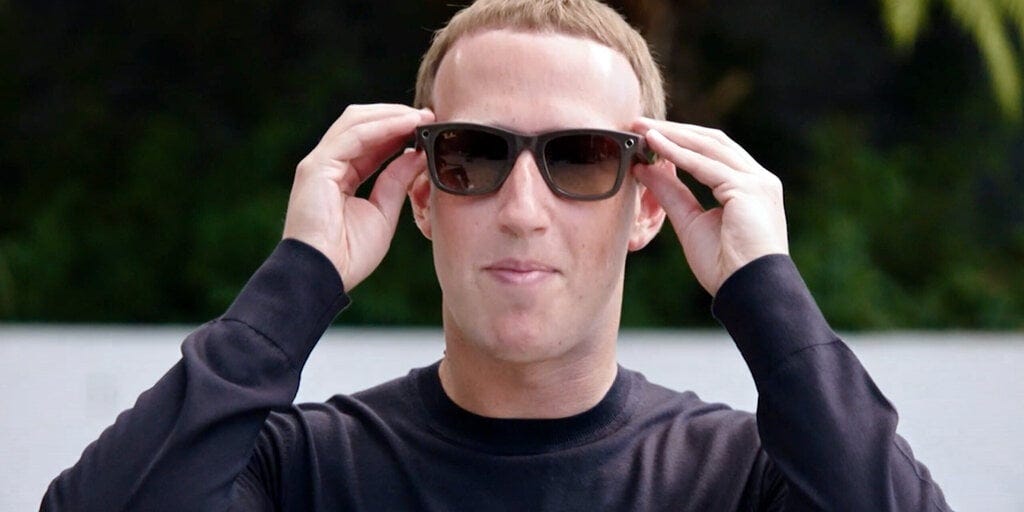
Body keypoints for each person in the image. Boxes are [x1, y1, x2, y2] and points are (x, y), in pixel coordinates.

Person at [42, 0, 952, 510]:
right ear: (422, 195)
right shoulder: (299, 472)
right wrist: (299, 274)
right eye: (473, 156)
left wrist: (767, 291)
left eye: (581, 157)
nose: (522, 211)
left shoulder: (741, 481)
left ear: (648, 206)